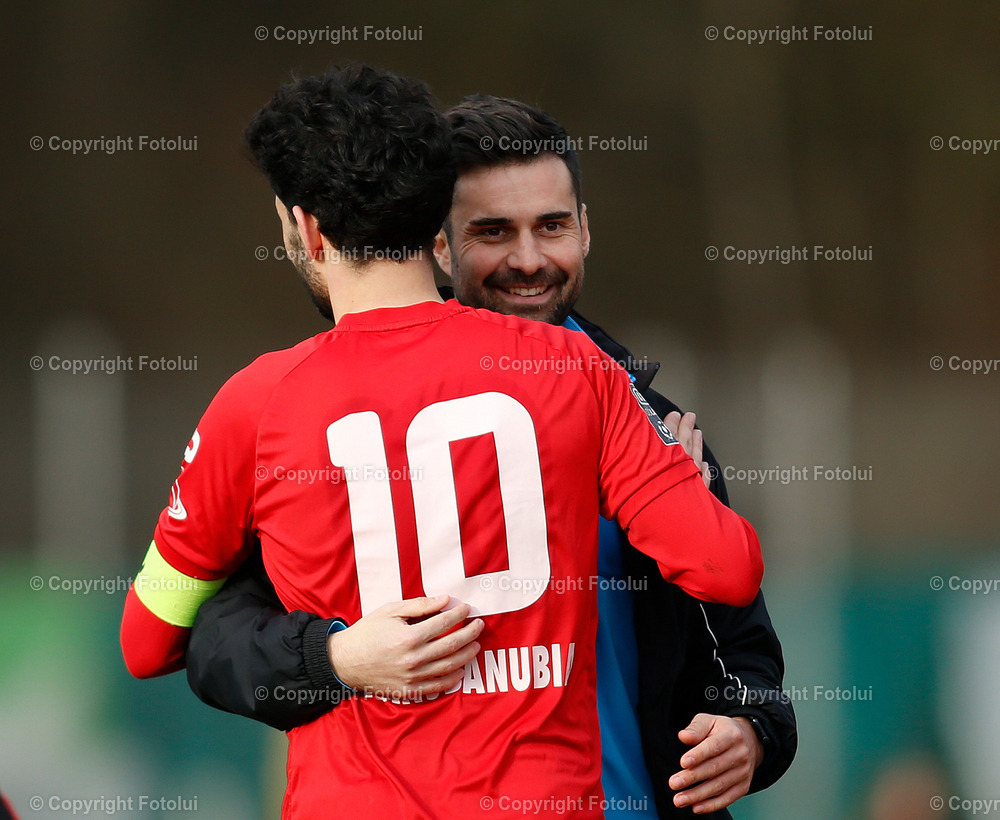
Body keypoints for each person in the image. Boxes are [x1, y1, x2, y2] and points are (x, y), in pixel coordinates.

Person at [119, 64, 763, 819]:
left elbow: (147, 641)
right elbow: (726, 567)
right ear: (436, 225)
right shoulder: (576, 371)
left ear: (309, 228)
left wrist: (335, 657)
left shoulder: (255, 403)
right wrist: (676, 488)